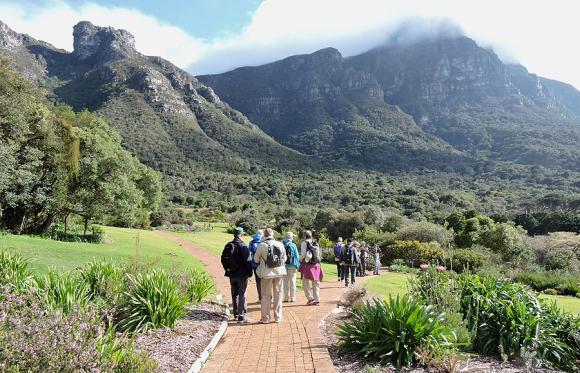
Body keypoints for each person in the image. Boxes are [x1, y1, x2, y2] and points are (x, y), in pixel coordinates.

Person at [254, 228, 287, 323]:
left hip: (266, 273)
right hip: (279, 273)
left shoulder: (262, 245)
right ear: (273, 234)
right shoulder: (280, 244)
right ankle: (278, 317)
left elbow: (256, 259)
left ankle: (265, 318)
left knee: (265, 296)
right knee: (278, 295)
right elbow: (284, 259)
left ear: (264, 235)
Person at [221, 227, 253, 323]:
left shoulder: (229, 245)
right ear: (241, 235)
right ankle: (241, 316)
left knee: (234, 293)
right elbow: (248, 261)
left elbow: (223, 259)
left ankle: (235, 314)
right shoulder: (243, 246)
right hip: (242, 274)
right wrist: (250, 273)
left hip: (231, 274)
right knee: (242, 293)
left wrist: (228, 269)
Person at [299, 230, 323, 305]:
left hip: (307, 265)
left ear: (304, 236)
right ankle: (317, 300)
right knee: (316, 283)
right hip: (316, 265)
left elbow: (303, 254)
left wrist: (300, 260)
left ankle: (310, 298)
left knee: (305, 282)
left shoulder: (304, 243)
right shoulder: (315, 242)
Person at [283, 231, 299, 302]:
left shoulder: (282, 244)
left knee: (285, 282)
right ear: (291, 237)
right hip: (292, 265)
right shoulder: (293, 245)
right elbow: (297, 256)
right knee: (292, 281)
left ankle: (286, 297)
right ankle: (293, 298)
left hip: (284, 266)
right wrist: (297, 265)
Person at [248, 230, 263, 301]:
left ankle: (260, 297)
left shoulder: (251, 242)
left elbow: (249, 254)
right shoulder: (263, 241)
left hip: (255, 265)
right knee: (266, 281)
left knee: (258, 281)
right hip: (263, 265)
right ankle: (267, 297)